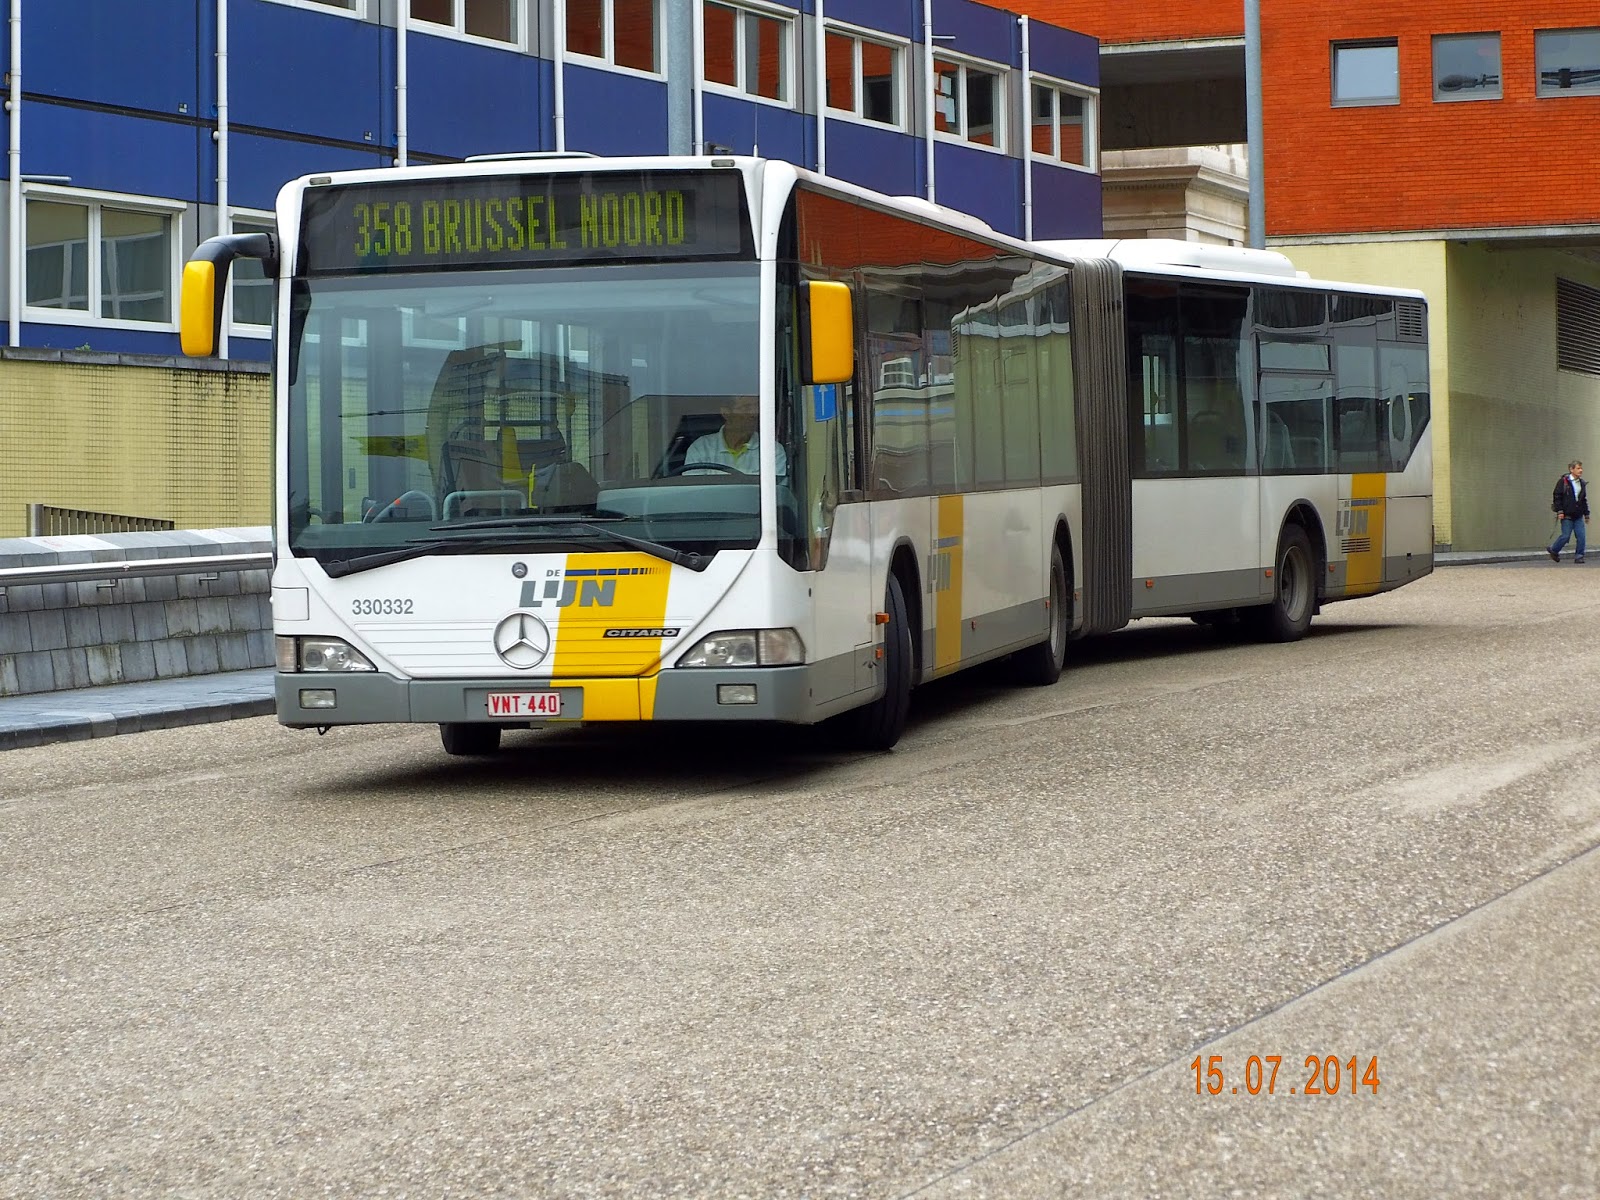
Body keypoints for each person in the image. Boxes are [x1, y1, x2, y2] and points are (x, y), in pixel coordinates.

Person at [684, 394, 788, 479]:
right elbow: (694, 492)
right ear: (725, 412)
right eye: (745, 407)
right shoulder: (701, 447)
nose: (753, 413)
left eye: (756, 406)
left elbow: (775, 494)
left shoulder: (772, 450)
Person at [1549, 459, 1589, 563]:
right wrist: (1560, 511)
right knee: (1565, 536)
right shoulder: (1564, 482)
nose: (1581, 470)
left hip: (1578, 514)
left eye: (1581, 468)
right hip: (1566, 514)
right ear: (1571, 469)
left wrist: (1586, 514)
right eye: (1578, 468)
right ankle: (1554, 549)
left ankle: (1579, 556)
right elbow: (1557, 496)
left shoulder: (1582, 483)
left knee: (1581, 536)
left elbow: (1583, 499)